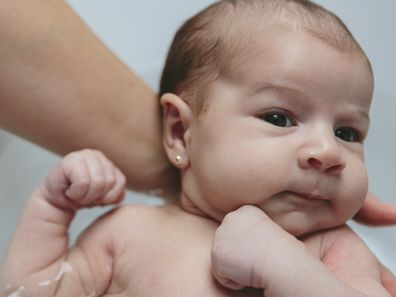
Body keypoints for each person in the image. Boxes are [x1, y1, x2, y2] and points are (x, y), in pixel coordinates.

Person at [0, 0, 395, 296]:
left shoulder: (333, 248)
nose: (328, 151)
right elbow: (31, 291)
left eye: (348, 132)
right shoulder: (127, 231)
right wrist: (51, 213)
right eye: (279, 118)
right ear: (179, 132)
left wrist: (278, 262)